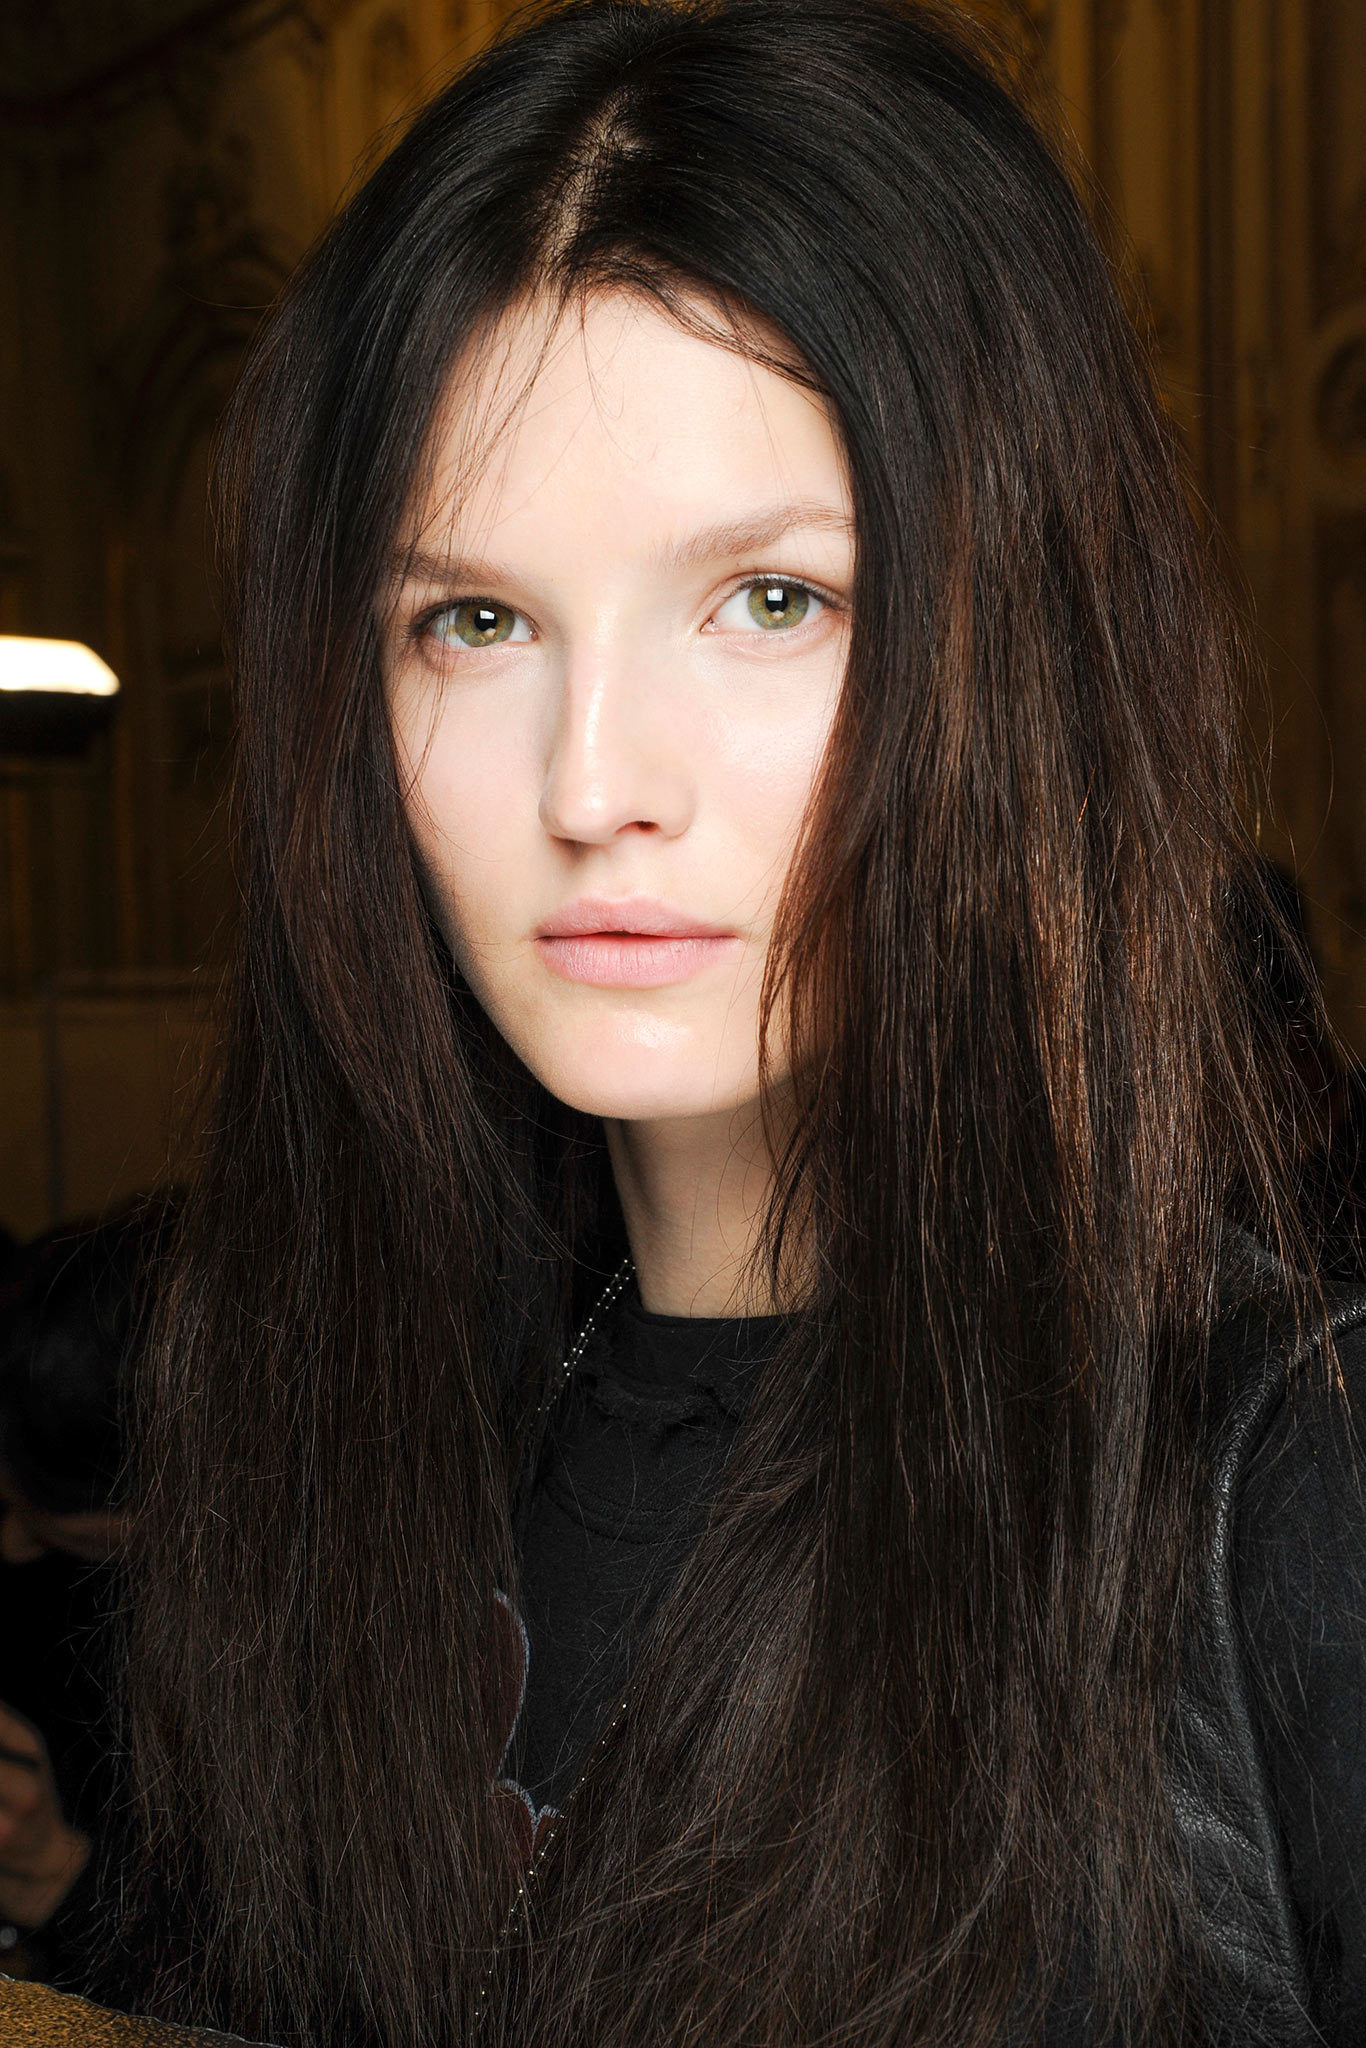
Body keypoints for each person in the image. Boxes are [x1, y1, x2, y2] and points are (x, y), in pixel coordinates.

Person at [8, 1, 1366, 2042]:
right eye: (475, 621)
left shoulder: (1275, 1482)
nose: (592, 783)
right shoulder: (333, 1424)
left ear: (1021, 640)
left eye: (768, 601)